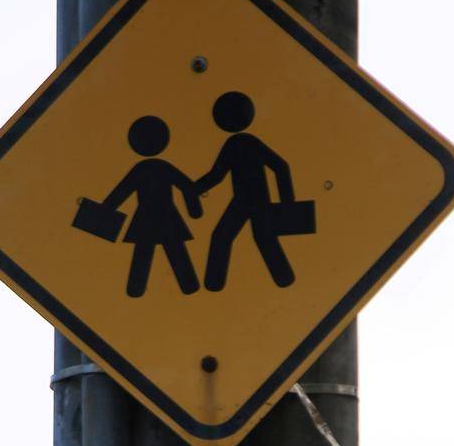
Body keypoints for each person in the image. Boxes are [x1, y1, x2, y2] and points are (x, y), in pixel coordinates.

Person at [196, 90, 312, 292]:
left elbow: (280, 166)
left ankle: (215, 284)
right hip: (245, 200)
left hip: (253, 201)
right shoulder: (239, 143)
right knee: (235, 236)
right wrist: (194, 188)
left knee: (241, 237)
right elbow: (217, 175)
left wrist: (287, 204)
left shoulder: (242, 143)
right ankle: (216, 285)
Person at [98, 115, 202, 298]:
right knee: (170, 250)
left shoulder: (142, 168)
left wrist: (105, 209)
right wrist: (194, 209)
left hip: (147, 218)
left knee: (148, 252)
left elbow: (121, 192)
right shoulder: (162, 166)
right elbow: (187, 186)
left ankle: (137, 290)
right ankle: (188, 286)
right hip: (166, 216)